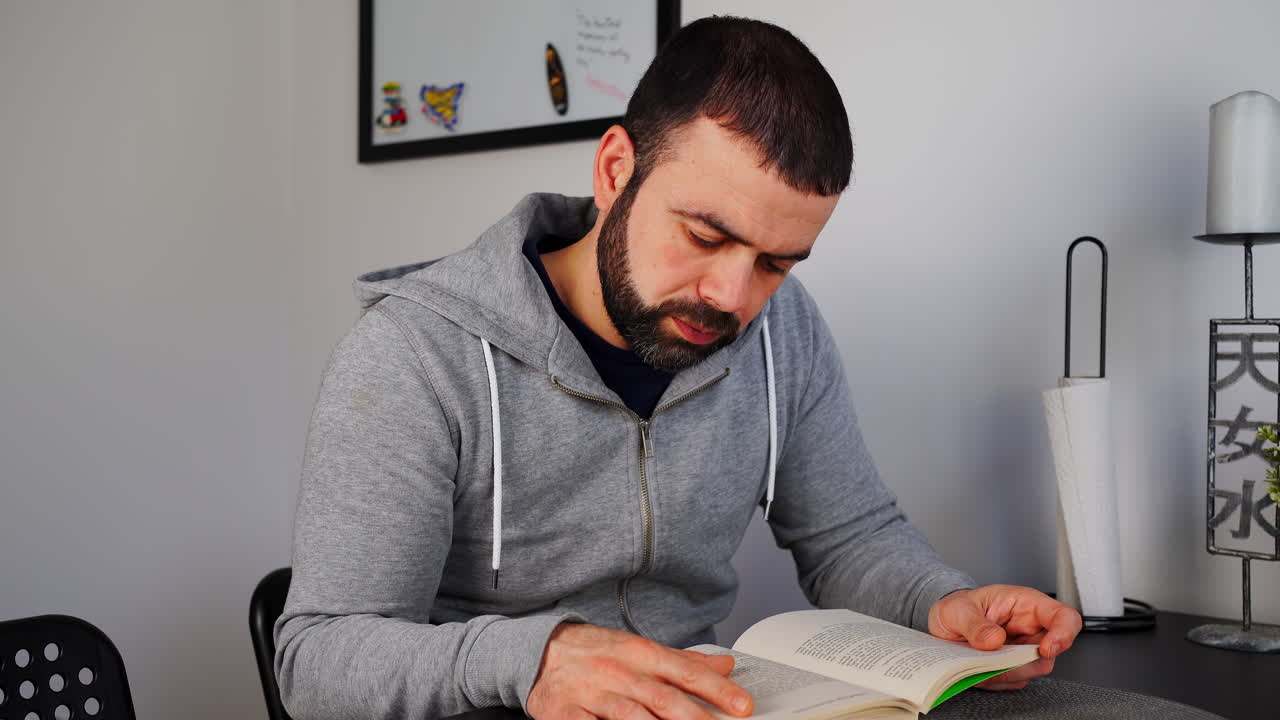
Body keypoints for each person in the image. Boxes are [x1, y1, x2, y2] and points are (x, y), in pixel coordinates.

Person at [275, 16, 1082, 720]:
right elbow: (317, 661)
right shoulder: (416, 355)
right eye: (704, 236)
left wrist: (943, 602)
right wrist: (535, 660)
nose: (732, 296)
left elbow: (850, 537)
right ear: (615, 171)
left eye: (775, 263)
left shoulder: (784, 331)